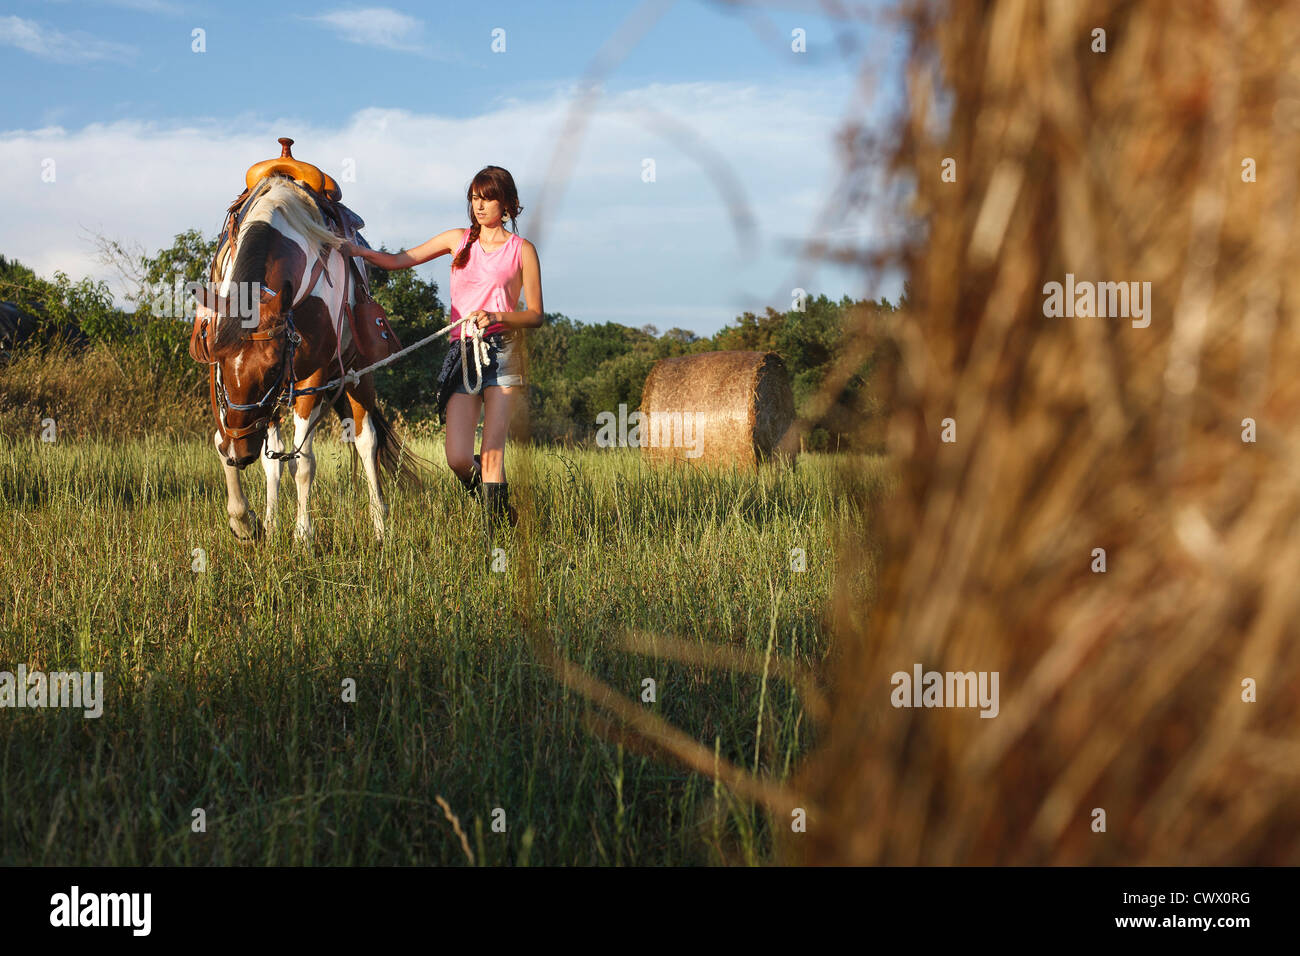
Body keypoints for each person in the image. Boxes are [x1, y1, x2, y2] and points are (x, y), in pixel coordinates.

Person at [339, 166, 543, 528]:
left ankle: (497, 542)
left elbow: (536, 315)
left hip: (504, 354)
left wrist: (496, 315)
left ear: (507, 204)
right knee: (458, 458)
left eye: (488, 198)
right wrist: (357, 251)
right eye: (475, 199)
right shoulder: (457, 240)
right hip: (462, 354)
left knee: (493, 453)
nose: (479, 206)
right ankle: (500, 509)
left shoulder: (522, 250)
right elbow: (402, 260)